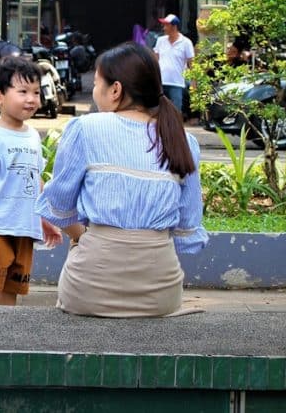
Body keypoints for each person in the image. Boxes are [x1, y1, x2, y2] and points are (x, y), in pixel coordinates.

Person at [35, 41, 207, 318]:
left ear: (115, 90)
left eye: (96, 83)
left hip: (89, 289)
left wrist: (87, 238)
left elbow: (58, 206)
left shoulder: (86, 128)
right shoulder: (183, 140)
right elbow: (188, 229)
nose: (93, 91)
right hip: (160, 293)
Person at [0, 56, 62, 306]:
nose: (32, 99)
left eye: (36, 92)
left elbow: (34, 178)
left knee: (13, 287)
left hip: (25, 227)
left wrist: (45, 218)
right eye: (22, 92)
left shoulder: (32, 136)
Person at [153, 13, 194, 113]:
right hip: (161, 82)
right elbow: (155, 59)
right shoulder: (160, 41)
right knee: (158, 111)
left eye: (166, 25)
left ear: (174, 26)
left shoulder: (186, 42)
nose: (164, 28)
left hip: (176, 83)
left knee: (175, 112)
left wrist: (194, 82)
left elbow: (191, 63)